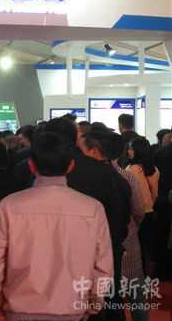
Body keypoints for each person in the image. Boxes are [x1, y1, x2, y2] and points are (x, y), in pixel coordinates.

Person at [0, 132, 113, 321]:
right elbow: (103, 265)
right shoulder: (92, 208)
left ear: (31, 165)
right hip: (72, 307)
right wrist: (95, 301)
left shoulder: (9, 206)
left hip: (19, 308)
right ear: (71, 166)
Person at [45, 118, 131, 321]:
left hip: (61, 261)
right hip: (105, 254)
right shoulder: (112, 176)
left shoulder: (48, 173)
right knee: (107, 303)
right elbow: (122, 220)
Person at [81, 131, 147, 321]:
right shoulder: (128, 176)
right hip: (127, 240)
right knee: (135, 294)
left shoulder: (88, 178)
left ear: (95, 151)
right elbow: (139, 211)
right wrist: (133, 226)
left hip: (104, 247)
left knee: (108, 297)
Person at [126, 137, 160, 276]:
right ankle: (148, 277)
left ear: (138, 151)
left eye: (131, 148)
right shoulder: (154, 170)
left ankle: (138, 276)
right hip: (150, 211)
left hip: (136, 213)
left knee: (136, 247)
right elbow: (155, 194)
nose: (128, 151)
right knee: (148, 247)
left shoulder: (131, 169)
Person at [154, 130, 172, 280]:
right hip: (165, 198)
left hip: (162, 199)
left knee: (162, 236)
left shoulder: (161, 152)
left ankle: (162, 271)